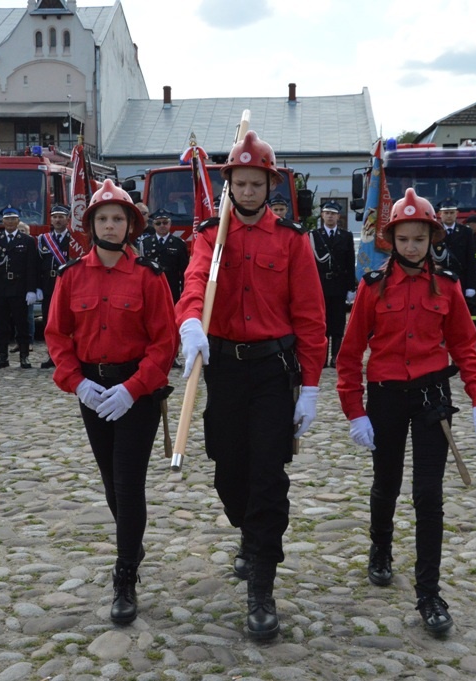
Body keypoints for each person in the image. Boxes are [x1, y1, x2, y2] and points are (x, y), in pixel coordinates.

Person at [175, 130, 327, 641]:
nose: (247, 191)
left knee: (267, 476)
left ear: (269, 186)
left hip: (271, 371)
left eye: (255, 183)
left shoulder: (291, 240)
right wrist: (189, 320)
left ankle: (262, 582)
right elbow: (196, 281)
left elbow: (310, 316)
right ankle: (249, 531)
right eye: (239, 183)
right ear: (229, 187)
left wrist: (311, 386)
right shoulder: (210, 235)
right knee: (229, 474)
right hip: (225, 369)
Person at [336, 187, 476, 636]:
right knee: (386, 482)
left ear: (432, 240)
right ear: (391, 240)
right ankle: (381, 548)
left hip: (431, 398)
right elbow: (349, 355)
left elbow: (465, 347)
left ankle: (429, 593)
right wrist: (355, 411)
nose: (411, 247)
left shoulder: (447, 286)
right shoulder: (372, 287)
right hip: (385, 395)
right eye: (403, 239)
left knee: (428, 495)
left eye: (419, 239)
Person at [44, 179, 176, 625]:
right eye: (103, 218)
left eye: (118, 218)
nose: (110, 225)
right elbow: (57, 335)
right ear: (91, 225)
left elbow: (164, 343)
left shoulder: (149, 277)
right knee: (110, 483)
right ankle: (131, 542)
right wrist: (76, 383)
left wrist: (133, 388)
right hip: (92, 389)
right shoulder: (71, 276)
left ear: (130, 225)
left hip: (135, 391)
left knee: (128, 481)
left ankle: (124, 575)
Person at [0, 207, 38, 370]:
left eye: (13, 219)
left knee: (22, 324)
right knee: (1, 325)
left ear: (18, 221)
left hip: (19, 287)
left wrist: (31, 289)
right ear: (2, 221)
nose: (10, 222)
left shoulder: (27, 240)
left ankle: (24, 356)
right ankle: (3, 357)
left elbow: (31, 266)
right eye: (7, 219)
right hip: (0, 288)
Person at [310, 200, 355, 368]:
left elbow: (350, 263)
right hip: (320, 285)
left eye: (333, 214)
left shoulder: (346, 236)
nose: (330, 216)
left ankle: (335, 357)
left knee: (337, 323)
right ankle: (322, 357)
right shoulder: (314, 236)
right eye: (327, 213)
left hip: (339, 285)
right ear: (322, 215)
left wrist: (351, 288)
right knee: (321, 322)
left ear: (338, 216)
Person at [37, 204, 72, 368]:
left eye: (61, 217)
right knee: (49, 321)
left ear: (68, 219)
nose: (58, 220)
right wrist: (37, 287)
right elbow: (36, 264)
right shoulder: (43, 239)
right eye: (55, 217)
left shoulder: (74, 239)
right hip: (48, 284)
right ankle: (52, 355)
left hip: (68, 284)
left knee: (69, 320)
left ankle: (70, 355)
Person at [431, 197, 476, 309]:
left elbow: (471, 260)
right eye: (446, 213)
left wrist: (471, 285)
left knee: (459, 309)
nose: (449, 215)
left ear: (457, 213)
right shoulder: (434, 232)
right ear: (440, 214)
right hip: (440, 277)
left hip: (460, 278)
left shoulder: (466, 232)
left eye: (452, 213)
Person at [139, 209, 189, 304]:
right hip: (152, 286)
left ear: (170, 224)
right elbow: (141, 269)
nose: (162, 225)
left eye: (165, 223)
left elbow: (184, 270)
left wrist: (184, 291)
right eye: (158, 223)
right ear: (153, 225)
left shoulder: (179, 244)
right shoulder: (145, 243)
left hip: (172, 286)